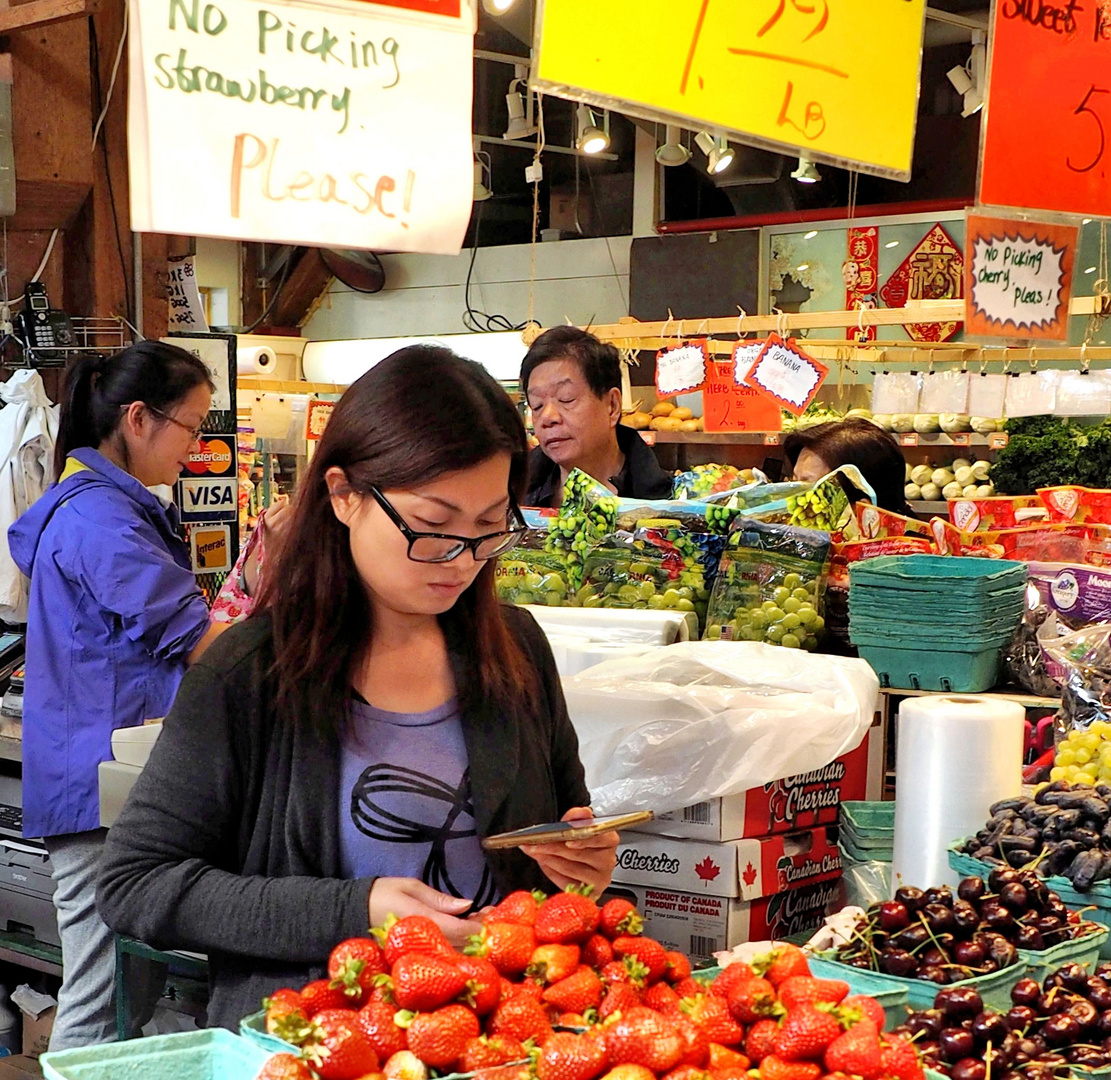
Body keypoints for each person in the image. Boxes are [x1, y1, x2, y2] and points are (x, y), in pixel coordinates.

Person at [96, 346, 618, 1032]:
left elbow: (561, 832)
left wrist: (580, 865)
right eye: (431, 527)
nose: (462, 558)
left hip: (500, 1041)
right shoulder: (251, 673)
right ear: (343, 495)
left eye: (489, 526)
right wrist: (355, 910)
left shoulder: (514, 649)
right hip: (315, 1044)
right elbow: (136, 884)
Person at [7, 342, 258, 1049]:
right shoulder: (99, 520)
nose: (197, 447)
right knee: (100, 997)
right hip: (100, 790)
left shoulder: (108, 510)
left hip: (112, 778)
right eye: (192, 426)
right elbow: (193, 637)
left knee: (128, 992)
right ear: (139, 418)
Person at [522, 326, 673, 507]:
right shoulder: (513, 497)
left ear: (612, 406)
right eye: (537, 405)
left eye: (566, 398)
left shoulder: (667, 504)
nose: (548, 417)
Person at [783, 416, 913, 516]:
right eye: (793, 481)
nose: (792, 500)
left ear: (861, 509)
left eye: (807, 486)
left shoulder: (913, 550)